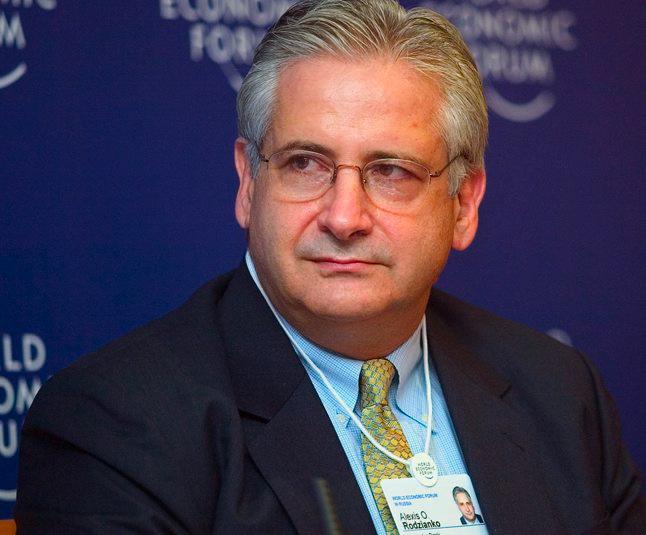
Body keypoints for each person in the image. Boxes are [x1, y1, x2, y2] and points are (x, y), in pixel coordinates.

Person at [15, 0, 645, 533]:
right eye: (305, 164)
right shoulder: (114, 424)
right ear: (248, 183)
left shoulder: (560, 394)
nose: (344, 217)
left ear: (464, 203)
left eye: (391, 171)